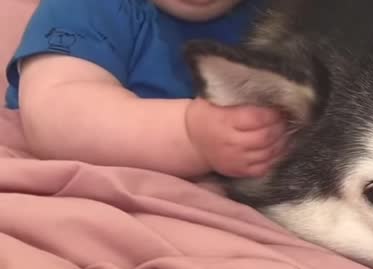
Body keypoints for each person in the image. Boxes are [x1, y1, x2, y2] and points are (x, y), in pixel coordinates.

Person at [4, 0, 289, 178]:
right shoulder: (86, 7)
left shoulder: (275, 13)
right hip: (93, 187)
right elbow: (57, 115)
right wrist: (188, 135)